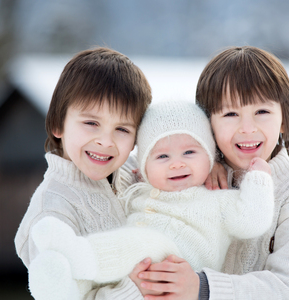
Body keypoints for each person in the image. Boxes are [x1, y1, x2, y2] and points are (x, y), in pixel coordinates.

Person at [134, 46, 289, 300]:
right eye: (230, 113)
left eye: (262, 112)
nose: (247, 128)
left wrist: (203, 288)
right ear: (207, 123)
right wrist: (207, 160)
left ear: (283, 119)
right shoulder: (190, 171)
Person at [29, 100, 275, 300]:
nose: (177, 163)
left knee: (147, 242)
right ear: (144, 167)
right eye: (162, 156)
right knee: (101, 272)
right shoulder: (138, 186)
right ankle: (62, 289)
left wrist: (259, 179)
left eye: (190, 152)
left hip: (174, 260)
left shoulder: (217, 199)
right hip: (131, 269)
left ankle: (76, 252)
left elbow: (252, 220)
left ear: (210, 156)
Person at [14, 47, 153, 299]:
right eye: (91, 123)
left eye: (122, 129)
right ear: (58, 123)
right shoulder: (51, 212)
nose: (105, 141)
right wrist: (133, 290)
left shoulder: (135, 171)